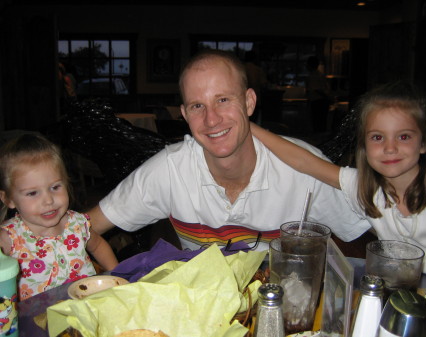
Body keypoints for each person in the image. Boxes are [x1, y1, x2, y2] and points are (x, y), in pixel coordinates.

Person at [87, 49, 370, 253]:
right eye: (198, 106)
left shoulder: (304, 170)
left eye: (223, 99)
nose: (211, 119)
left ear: (249, 102)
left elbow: (363, 241)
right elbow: (81, 230)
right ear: (185, 114)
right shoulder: (169, 169)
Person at [251, 81, 426, 277]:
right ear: (364, 147)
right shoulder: (364, 188)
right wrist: (247, 125)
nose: (390, 148)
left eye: (404, 137)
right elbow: (305, 162)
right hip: (406, 293)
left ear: (424, 143)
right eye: (378, 137)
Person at [0, 134, 118, 300]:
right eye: (32, 193)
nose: (48, 200)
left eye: (55, 187)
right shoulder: (8, 238)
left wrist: (117, 274)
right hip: (38, 321)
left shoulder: (77, 224)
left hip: (86, 309)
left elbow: (98, 245)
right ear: (9, 199)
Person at [306, 56, 332, 134]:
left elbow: (317, 90)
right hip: (321, 101)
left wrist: (326, 97)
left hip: (318, 101)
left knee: (318, 123)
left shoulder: (314, 76)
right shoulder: (320, 75)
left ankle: (318, 139)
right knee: (321, 122)